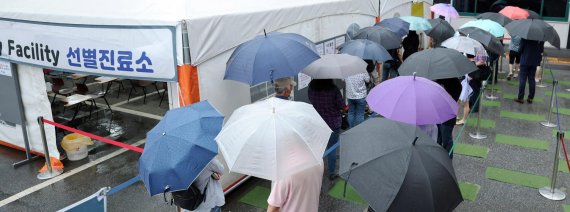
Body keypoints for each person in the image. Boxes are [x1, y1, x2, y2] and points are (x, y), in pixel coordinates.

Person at [308, 79, 345, 180]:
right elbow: (342, 106)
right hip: (333, 124)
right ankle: (332, 173)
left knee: (318, 148)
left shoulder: (311, 88)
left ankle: (316, 172)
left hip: (318, 123)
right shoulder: (333, 90)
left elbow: (311, 100)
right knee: (332, 148)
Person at [435, 77, 461, 157]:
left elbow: (451, 100)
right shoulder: (441, 79)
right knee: (438, 136)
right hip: (439, 113)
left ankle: (448, 157)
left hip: (448, 115)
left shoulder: (456, 84)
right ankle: (438, 154)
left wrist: (442, 90)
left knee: (446, 138)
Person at [516, 39, 544, 104]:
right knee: (531, 79)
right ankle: (530, 98)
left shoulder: (524, 38)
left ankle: (520, 98)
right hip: (534, 61)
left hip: (525, 60)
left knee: (523, 79)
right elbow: (541, 50)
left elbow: (520, 50)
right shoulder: (540, 39)